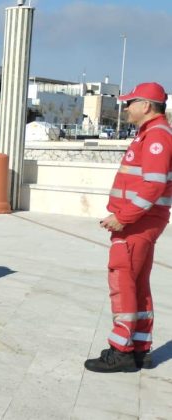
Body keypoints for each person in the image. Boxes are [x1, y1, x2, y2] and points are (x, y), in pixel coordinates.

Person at [84, 82, 172, 373]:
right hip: (141, 220)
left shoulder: (157, 135)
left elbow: (153, 184)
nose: (125, 108)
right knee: (137, 283)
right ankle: (140, 349)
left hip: (138, 223)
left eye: (129, 103)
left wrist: (124, 217)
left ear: (146, 106)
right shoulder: (150, 133)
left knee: (122, 282)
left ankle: (121, 351)